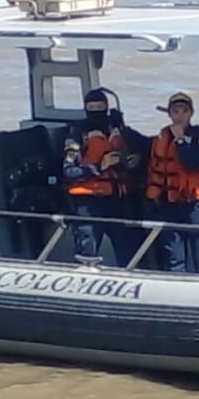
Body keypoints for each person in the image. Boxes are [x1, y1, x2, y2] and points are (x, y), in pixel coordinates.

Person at [61, 87, 149, 265]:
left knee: (129, 249)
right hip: (88, 203)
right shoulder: (77, 134)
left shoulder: (117, 129)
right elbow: (69, 171)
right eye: (91, 108)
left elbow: (147, 145)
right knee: (87, 251)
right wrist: (99, 166)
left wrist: (137, 157)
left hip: (117, 199)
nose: (96, 112)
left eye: (100, 107)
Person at [145, 91, 199, 274]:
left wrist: (180, 140)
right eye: (175, 112)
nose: (179, 116)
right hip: (170, 203)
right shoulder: (162, 138)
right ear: (169, 114)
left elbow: (194, 164)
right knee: (173, 252)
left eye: (183, 111)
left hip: (196, 203)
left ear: (191, 113)